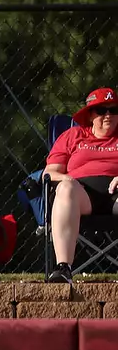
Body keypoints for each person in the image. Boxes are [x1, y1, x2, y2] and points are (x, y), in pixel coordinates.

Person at [44, 86, 118, 283]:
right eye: (101, 110)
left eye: (113, 110)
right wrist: (68, 180)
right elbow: (49, 173)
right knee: (65, 189)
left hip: (116, 193)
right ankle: (63, 268)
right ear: (90, 115)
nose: (108, 115)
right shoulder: (73, 136)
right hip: (82, 194)